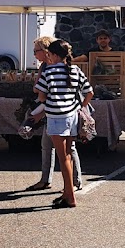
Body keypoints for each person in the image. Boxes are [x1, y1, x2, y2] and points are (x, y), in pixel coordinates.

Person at [35, 39, 93, 209]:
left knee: (63, 158)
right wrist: (79, 107)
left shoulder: (49, 72)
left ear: (52, 55)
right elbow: (89, 92)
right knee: (68, 155)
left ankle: (70, 197)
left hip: (56, 118)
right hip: (72, 116)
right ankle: (68, 192)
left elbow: (41, 96)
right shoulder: (76, 70)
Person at [26, 36, 82, 192]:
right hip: (55, 113)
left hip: (57, 114)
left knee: (67, 151)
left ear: (47, 52)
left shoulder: (52, 68)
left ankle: (72, 184)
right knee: (48, 146)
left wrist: (40, 112)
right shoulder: (48, 66)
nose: (34, 54)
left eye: (36, 51)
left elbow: (47, 94)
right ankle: (48, 180)